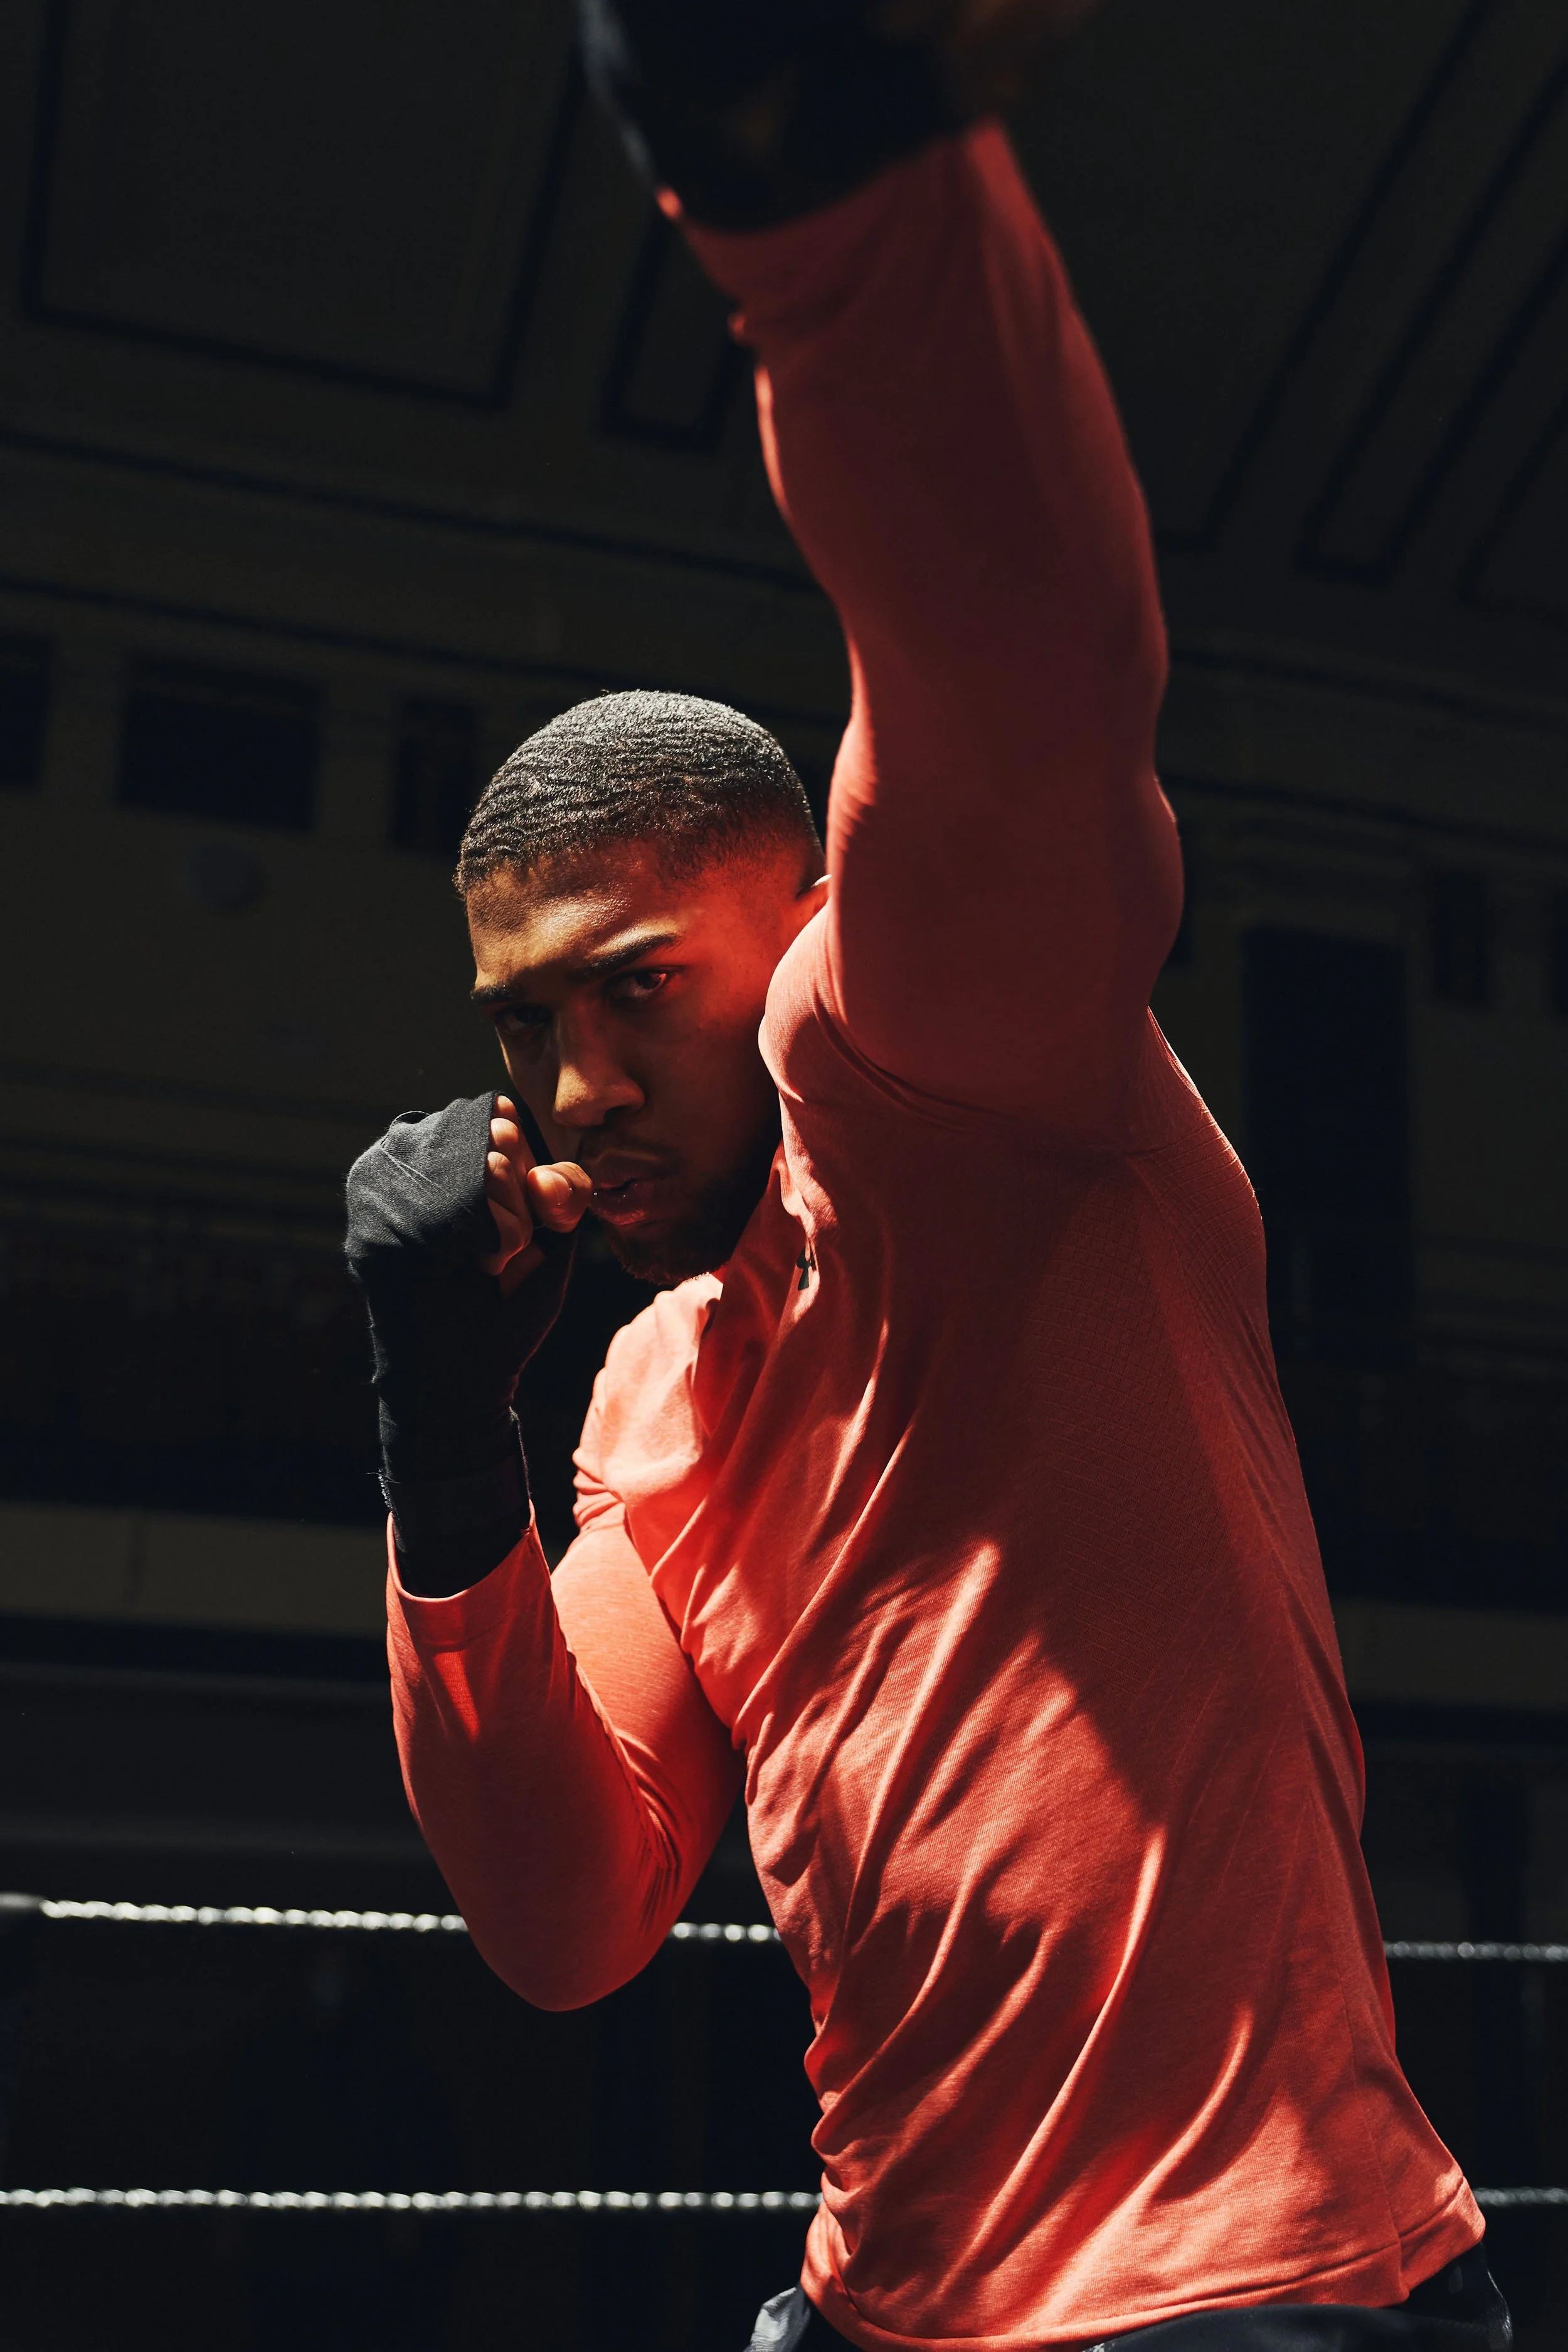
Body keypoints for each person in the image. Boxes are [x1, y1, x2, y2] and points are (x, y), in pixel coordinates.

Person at [346, 6, 1508, 2344]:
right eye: (518, 1029)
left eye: (628, 992)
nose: (566, 1084)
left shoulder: (942, 1069)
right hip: (883, 2299)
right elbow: (569, 1923)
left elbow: (1011, 670)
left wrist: (813, 207)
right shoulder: (656, 1393)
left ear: (790, 928)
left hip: (1239, 2276)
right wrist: (436, 1444)